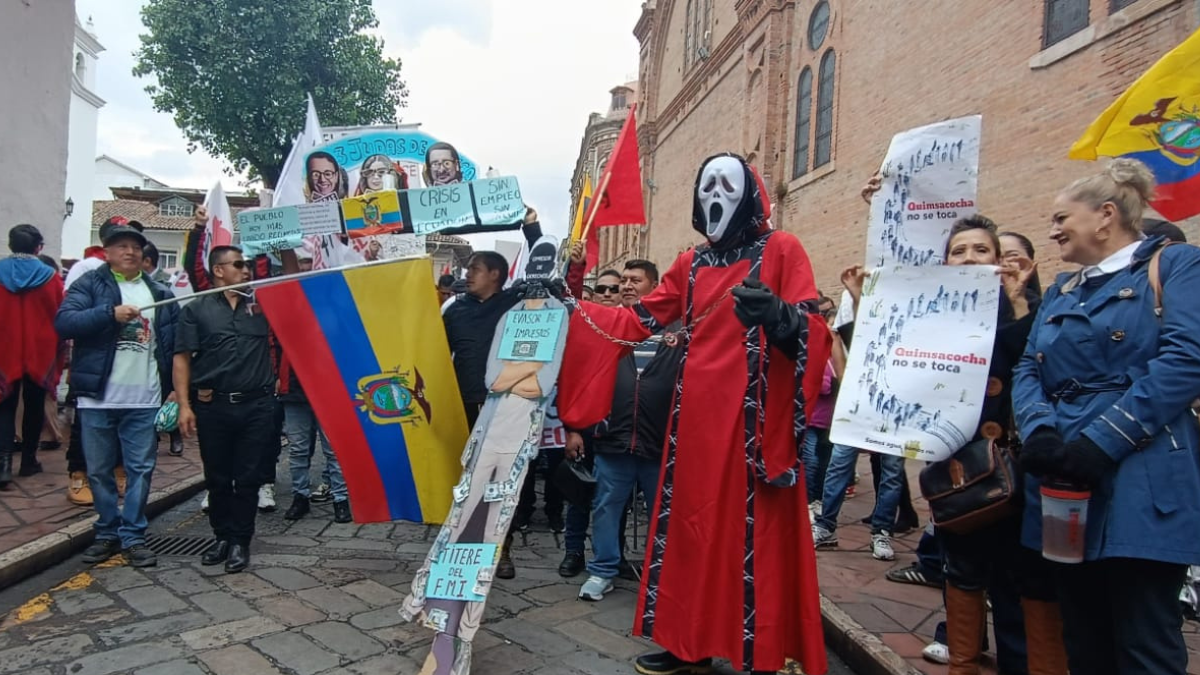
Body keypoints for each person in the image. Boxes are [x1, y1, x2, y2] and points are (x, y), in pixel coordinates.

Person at [557, 153, 829, 675]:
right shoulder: (692, 263)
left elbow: (814, 331)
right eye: (707, 187)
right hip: (693, 429)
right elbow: (634, 320)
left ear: (748, 192)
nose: (715, 197)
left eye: (727, 185)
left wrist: (779, 316)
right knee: (690, 534)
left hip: (753, 429)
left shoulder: (782, 249)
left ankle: (762, 654)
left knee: (755, 538)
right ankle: (687, 645)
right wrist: (571, 304)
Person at [1014, 159, 1200, 675]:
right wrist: (1041, 431)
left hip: (1143, 470)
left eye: (1060, 219)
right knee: (1083, 636)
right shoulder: (1061, 290)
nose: (1051, 231)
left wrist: (1100, 442)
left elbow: (1187, 361)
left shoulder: (1177, 265)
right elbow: (1029, 366)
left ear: (1106, 216)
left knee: (1145, 641)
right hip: (1064, 480)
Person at [55, 220, 179, 568]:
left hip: (144, 399)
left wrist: (171, 391)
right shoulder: (89, 284)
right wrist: (109, 314)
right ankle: (107, 531)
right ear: (106, 252)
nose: (130, 252)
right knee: (98, 470)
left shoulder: (160, 293)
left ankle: (134, 536)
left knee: (141, 469)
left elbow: (172, 346)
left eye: (136, 247)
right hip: (98, 398)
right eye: (122, 246)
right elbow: (64, 323)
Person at [441, 207, 544, 579]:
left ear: (496, 275)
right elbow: (437, 355)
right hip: (466, 407)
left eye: (474, 270)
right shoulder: (454, 311)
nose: (467, 275)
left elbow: (544, 270)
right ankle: (465, 544)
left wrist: (533, 229)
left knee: (504, 480)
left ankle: (502, 548)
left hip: (507, 409)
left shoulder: (516, 302)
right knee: (470, 479)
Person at [574, 259, 681, 602]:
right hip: (613, 438)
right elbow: (575, 309)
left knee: (661, 513)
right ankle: (603, 570)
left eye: (636, 280)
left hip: (659, 441)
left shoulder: (678, 329)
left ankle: (661, 574)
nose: (626, 286)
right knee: (606, 507)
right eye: (623, 280)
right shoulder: (609, 325)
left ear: (656, 286)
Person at [175, 245, 276, 574]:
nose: (246, 270)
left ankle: (240, 542)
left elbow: (291, 283)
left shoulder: (262, 305)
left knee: (248, 477)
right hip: (213, 406)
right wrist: (184, 406)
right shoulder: (196, 310)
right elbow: (182, 359)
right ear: (218, 270)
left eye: (247, 264)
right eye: (237, 265)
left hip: (257, 405)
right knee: (217, 476)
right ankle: (221, 536)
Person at [0, 225, 64, 486]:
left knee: (5, 406)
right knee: (34, 405)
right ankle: (28, 460)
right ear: (38, 247)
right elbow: (60, 313)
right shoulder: (50, 276)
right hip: (41, 349)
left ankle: (3, 464)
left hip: (5, 346)